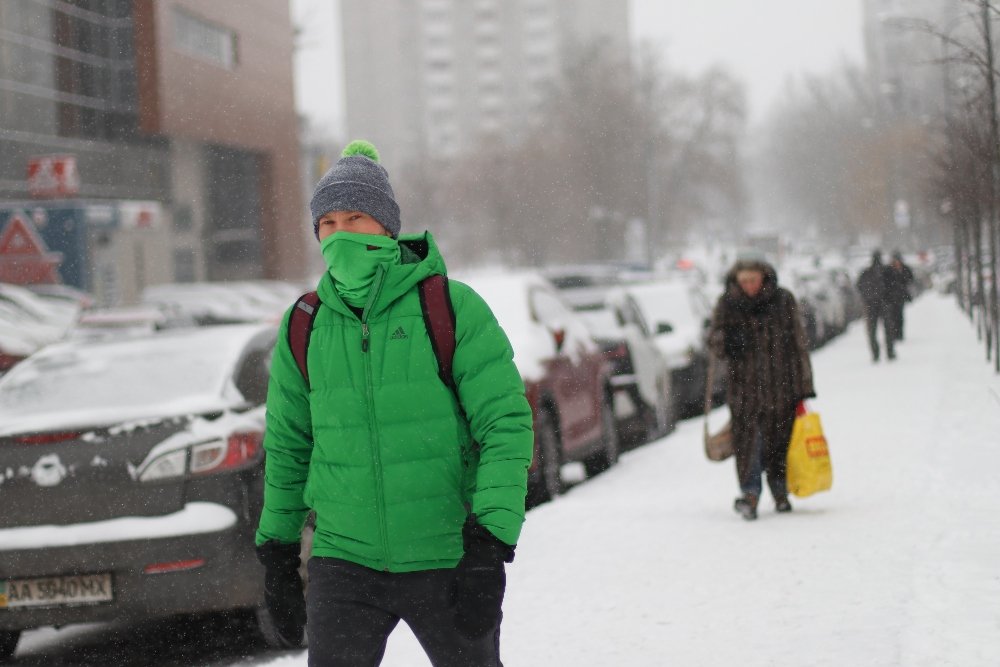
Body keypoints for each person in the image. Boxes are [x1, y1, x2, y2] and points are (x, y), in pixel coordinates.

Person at [254, 139, 534, 666]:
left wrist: (490, 540)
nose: (341, 234)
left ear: (386, 226)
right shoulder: (304, 325)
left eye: (355, 218)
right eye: (328, 223)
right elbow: (289, 446)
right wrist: (277, 553)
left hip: (446, 554)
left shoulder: (449, 306)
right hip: (345, 561)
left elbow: (505, 425)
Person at [708, 259, 816, 521]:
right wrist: (728, 341)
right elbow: (714, 342)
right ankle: (750, 495)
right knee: (748, 444)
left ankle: (780, 493)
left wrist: (804, 387)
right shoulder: (727, 304)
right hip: (743, 391)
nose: (749, 287)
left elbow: (798, 344)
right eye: (743, 281)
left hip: (781, 387)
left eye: (753, 280)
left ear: (764, 278)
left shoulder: (783, 300)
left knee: (779, 443)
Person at [856, 250, 895, 361]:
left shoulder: (866, 273)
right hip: (885, 304)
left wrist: (867, 298)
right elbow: (894, 286)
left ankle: (875, 353)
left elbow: (859, 286)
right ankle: (890, 352)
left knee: (872, 331)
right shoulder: (887, 271)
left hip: (870, 305)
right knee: (888, 329)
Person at [885, 250, 914, 342]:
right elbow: (885, 282)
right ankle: (894, 334)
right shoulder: (888, 269)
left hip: (900, 297)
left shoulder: (904, 269)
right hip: (891, 297)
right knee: (892, 316)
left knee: (900, 316)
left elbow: (910, 279)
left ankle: (899, 334)